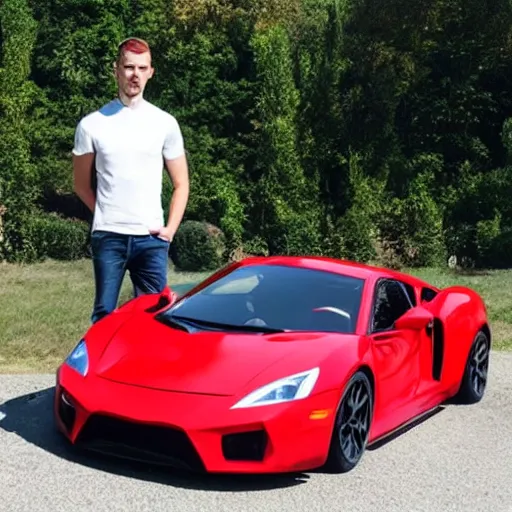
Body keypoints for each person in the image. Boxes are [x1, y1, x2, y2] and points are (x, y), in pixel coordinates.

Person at [72, 37, 189, 324]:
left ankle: (149, 371)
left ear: (151, 71)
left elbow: (181, 184)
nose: (134, 74)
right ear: (116, 70)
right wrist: (105, 214)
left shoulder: (165, 123)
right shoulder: (92, 124)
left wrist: (170, 230)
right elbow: (80, 184)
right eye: (128, 67)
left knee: (154, 318)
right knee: (104, 316)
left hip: (151, 239)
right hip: (109, 235)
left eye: (142, 68)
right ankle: (100, 370)